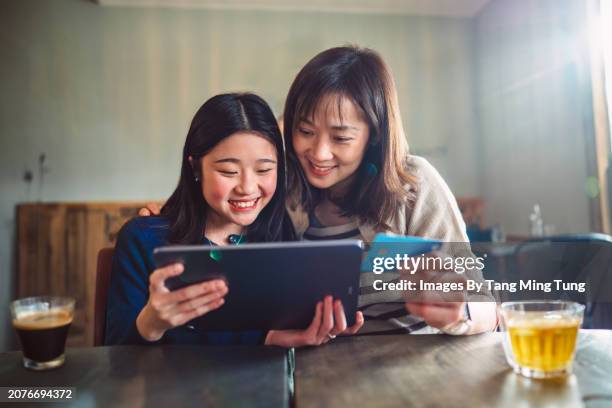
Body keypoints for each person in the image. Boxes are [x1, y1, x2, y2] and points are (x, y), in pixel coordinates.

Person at [106, 92, 363, 346]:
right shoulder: (143, 238)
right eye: (229, 171)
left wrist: (319, 326)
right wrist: (151, 323)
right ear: (195, 167)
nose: (247, 187)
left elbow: (284, 330)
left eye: (264, 169)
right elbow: (114, 351)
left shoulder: (280, 233)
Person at [282, 46, 497, 335]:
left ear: (374, 135)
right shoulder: (286, 192)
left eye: (341, 137)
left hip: (415, 370)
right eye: (305, 132)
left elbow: (486, 307)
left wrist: (458, 313)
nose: (319, 153)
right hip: (324, 370)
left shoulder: (414, 184)